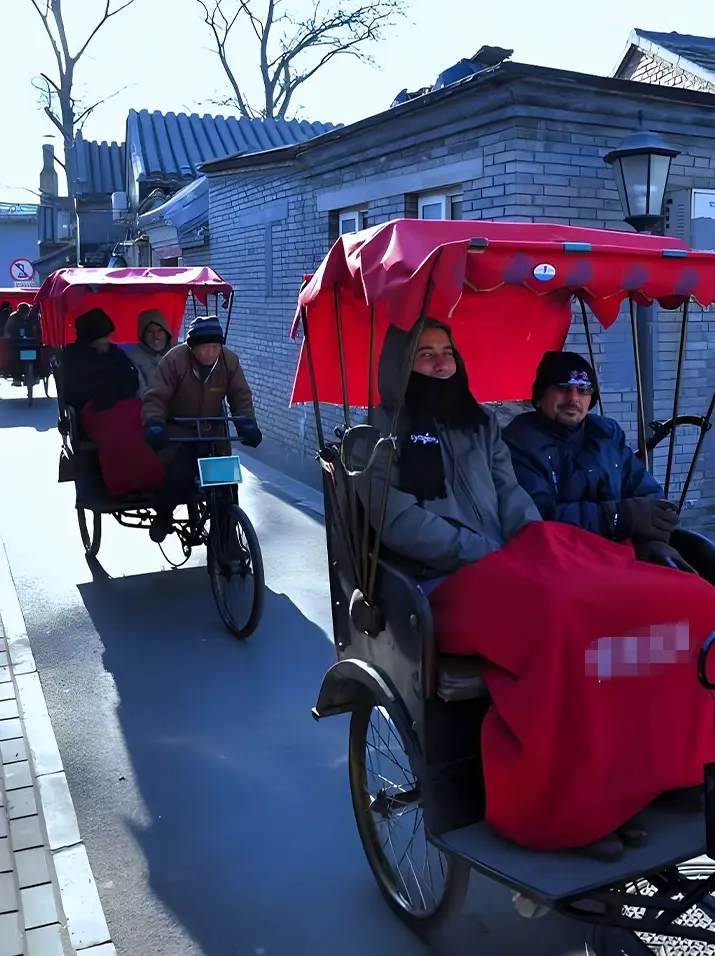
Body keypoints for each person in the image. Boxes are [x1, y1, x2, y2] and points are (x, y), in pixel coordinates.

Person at [359, 318, 715, 860]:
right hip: (444, 582)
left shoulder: (479, 426)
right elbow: (400, 521)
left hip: (514, 563)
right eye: (424, 354)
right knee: (567, 628)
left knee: (686, 600)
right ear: (400, 367)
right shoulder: (375, 439)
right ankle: (565, 813)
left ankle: (654, 776)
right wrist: (486, 552)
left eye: (446, 352)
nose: (439, 363)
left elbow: (513, 499)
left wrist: (530, 546)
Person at [503, 351, 692, 571]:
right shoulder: (520, 441)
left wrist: (650, 542)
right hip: (557, 563)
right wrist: (618, 516)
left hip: (621, 553)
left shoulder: (605, 433)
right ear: (541, 396)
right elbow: (537, 518)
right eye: (563, 387)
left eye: (583, 390)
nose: (573, 398)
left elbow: (646, 492)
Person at [142, 315, 261, 542]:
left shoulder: (229, 361)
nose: (210, 353)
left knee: (227, 485)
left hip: (214, 432)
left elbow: (241, 396)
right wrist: (154, 425)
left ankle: (227, 539)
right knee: (178, 478)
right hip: (179, 431)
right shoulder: (174, 360)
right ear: (191, 347)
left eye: (215, 347)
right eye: (204, 348)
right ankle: (164, 515)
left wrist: (246, 424)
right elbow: (156, 397)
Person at [62, 309, 165, 499]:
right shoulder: (73, 357)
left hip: (124, 403)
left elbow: (130, 378)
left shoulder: (116, 354)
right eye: (102, 338)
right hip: (92, 410)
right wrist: (101, 392)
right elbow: (73, 391)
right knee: (117, 432)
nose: (107, 341)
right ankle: (124, 486)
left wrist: (116, 391)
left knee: (148, 423)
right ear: (90, 338)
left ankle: (152, 480)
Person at [124, 309, 173, 393]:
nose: (156, 336)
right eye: (150, 332)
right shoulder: (132, 357)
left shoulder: (180, 355)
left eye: (160, 330)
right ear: (143, 335)